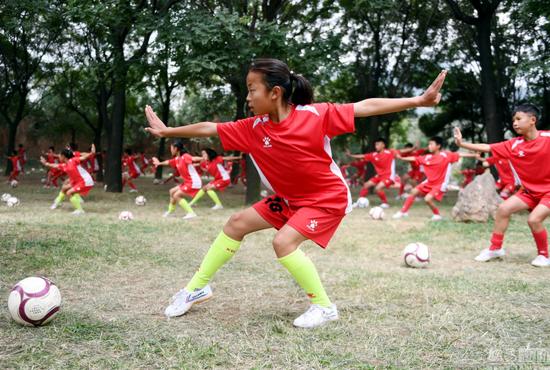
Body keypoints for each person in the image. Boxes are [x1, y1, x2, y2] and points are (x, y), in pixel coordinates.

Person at [144, 58, 447, 327]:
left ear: (274, 93)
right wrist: (167, 131)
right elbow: (210, 128)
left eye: (252, 90)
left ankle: (324, 307)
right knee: (236, 224)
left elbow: (364, 107)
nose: (247, 97)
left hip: (327, 199)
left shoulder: (315, 116)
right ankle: (198, 287)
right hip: (291, 200)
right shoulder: (253, 128)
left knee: (283, 242)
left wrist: (418, 100)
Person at [454, 104, 550, 267]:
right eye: (513, 120)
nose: (515, 123)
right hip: (528, 192)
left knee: (534, 220)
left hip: (548, 192)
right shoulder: (513, 145)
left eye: (519, 119)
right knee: (503, 209)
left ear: (533, 120)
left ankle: (544, 255)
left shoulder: (547, 138)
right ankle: (495, 248)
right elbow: (487, 147)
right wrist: (462, 144)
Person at [393, 136, 477, 221]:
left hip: (440, 184)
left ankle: (437, 215)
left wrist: (474, 154)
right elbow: (415, 158)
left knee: (427, 199)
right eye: (429, 144)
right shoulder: (428, 157)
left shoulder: (446, 155)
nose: (429, 146)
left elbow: (460, 154)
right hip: (429, 182)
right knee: (413, 191)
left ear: (438, 146)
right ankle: (403, 212)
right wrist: (402, 158)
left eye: (431, 144)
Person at [346, 139, 414, 208]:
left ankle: (385, 203)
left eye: (378, 144)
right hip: (379, 176)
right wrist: (351, 155)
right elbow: (363, 156)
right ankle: (359, 202)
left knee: (378, 188)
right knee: (366, 185)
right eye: (375, 144)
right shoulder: (373, 155)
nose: (376, 146)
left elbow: (402, 151)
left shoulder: (390, 152)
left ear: (383, 145)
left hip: (388, 176)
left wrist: (413, 148)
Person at [153, 140, 202, 219]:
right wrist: (159, 163)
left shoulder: (185, 156)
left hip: (193, 182)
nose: (170, 150)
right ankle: (170, 211)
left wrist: (205, 158)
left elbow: (193, 158)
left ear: (176, 149)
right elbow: (168, 162)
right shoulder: (177, 159)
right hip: (188, 182)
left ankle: (191, 213)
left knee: (176, 195)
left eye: (171, 148)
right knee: (172, 191)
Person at [40, 146, 95, 215]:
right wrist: (46, 164)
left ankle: (80, 210)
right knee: (64, 188)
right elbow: (56, 165)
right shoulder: (65, 165)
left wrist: (91, 153)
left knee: (69, 192)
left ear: (63, 156)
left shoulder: (73, 160)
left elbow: (83, 157)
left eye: (59, 156)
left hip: (85, 181)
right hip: (78, 181)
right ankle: (57, 203)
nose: (58, 157)